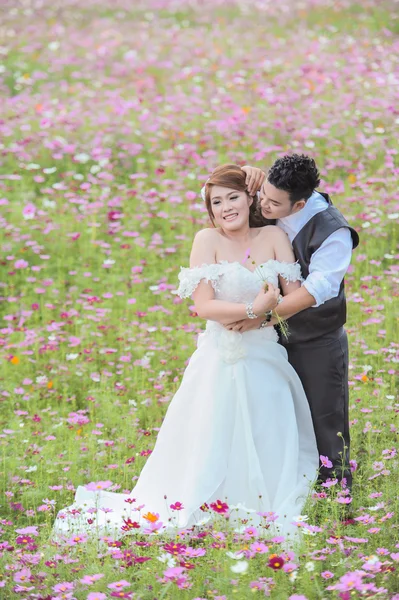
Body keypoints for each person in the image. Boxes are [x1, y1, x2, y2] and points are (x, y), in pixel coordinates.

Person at [52, 164, 318, 541]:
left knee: (267, 429)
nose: (226, 207)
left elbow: (293, 297)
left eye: (233, 197)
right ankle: (200, 505)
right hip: (218, 357)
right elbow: (204, 307)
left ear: (249, 199)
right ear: (210, 210)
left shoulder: (274, 235)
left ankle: (260, 503)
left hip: (264, 354)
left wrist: (268, 312)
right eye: (216, 202)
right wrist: (253, 310)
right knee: (210, 432)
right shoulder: (205, 240)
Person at [228, 155, 359, 490]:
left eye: (274, 203)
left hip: (315, 337)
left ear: (299, 203)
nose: (263, 205)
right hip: (268, 340)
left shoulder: (332, 230)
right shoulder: (266, 192)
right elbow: (213, 194)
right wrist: (242, 175)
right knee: (273, 413)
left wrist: (263, 318)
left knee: (325, 416)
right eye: (263, 196)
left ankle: (336, 495)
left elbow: (318, 289)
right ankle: (282, 486)